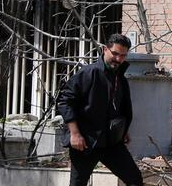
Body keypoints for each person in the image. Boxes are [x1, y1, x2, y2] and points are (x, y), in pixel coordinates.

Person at [57, 33, 143, 186]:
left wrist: (123, 130)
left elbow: (119, 107)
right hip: (85, 142)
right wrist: (75, 134)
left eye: (123, 55)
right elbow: (65, 102)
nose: (118, 59)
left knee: (134, 178)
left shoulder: (120, 77)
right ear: (105, 50)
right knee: (78, 184)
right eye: (115, 53)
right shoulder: (89, 73)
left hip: (111, 142)